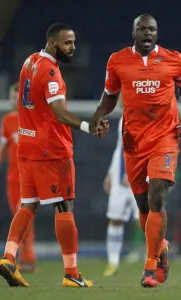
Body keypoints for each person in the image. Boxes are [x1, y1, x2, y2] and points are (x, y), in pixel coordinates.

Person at [90, 14, 181, 287]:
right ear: (133, 33)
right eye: (142, 29)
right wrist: (98, 115)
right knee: (144, 206)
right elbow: (110, 95)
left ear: (157, 33)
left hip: (165, 138)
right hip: (133, 142)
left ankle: (149, 266)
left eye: (152, 29)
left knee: (157, 194)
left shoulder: (175, 60)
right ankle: (161, 251)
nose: (147, 33)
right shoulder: (117, 61)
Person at [0, 23, 108, 288]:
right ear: (52, 43)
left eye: (73, 42)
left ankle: (8, 258)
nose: (72, 47)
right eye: (67, 43)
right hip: (51, 150)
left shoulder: (29, 62)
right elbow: (59, 112)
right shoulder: (51, 73)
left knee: (29, 205)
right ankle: (71, 272)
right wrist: (88, 126)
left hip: (26, 146)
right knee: (64, 205)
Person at [0, 82, 37, 272]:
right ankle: (25, 258)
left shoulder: (32, 119)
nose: (15, 100)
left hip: (27, 178)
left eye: (18, 96)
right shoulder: (7, 120)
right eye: (12, 96)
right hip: (12, 180)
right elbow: (3, 148)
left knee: (22, 215)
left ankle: (28, 259)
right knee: (19, 217)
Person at [102, 103, 142, 276]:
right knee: (115, 219)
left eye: (121, 94)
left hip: (139, 178)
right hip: (120, 180)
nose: (117, 98)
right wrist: (111, 172)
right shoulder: (122, 119)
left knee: (145, 220)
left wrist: (134, 171)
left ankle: (154, 261)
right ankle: (113, 262)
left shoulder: (142, 117)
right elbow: (120, 148)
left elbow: (146, 148)